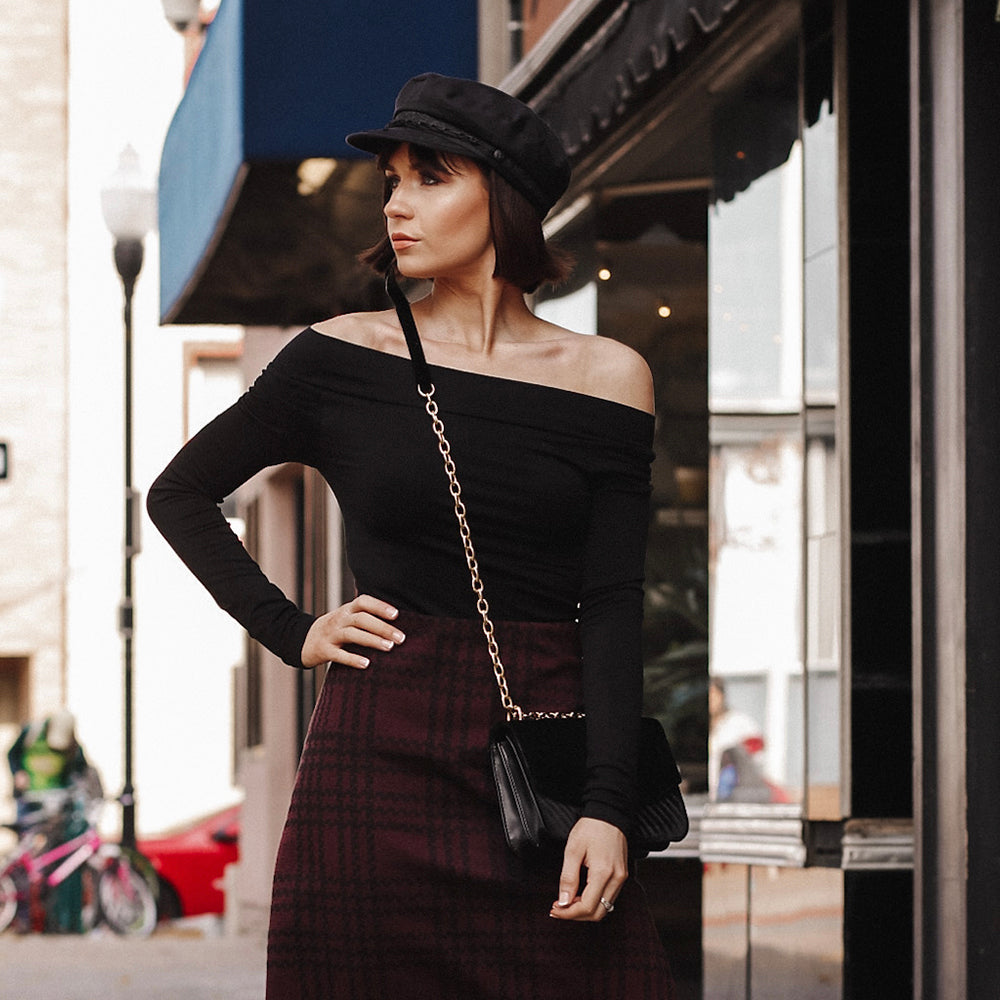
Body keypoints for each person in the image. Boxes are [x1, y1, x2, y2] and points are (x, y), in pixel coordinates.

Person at [147, 73, 674, 998]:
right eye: (392, 180)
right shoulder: (339, 358)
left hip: (543, 753)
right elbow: (180, 493)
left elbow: (614, 604)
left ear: (504, 199)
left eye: (430, 177)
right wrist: (293, 628)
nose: (398, 204)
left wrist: (608, 805)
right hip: (377, 760)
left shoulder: (607, 377)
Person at [6, 709, 99, 932]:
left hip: (58, 809)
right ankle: (23, 919)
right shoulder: (31, 733)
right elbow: (12, 754)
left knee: (53, 864)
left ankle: (53, 921)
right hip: (29, 804)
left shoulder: (73, 748)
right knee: (25, 861)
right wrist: (18, 773)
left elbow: (81, 773)